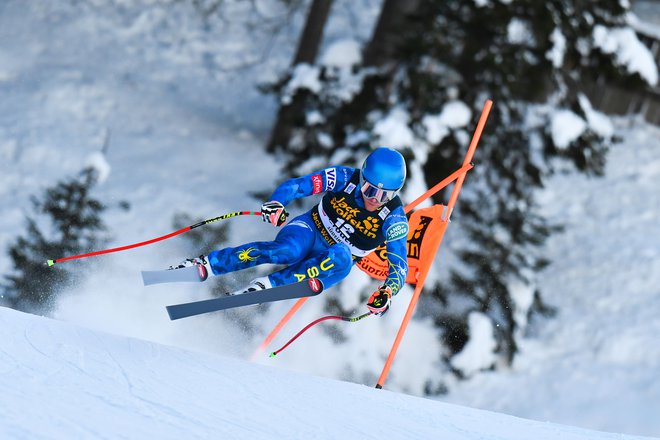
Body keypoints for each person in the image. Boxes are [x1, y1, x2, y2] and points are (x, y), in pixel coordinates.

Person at [172, 147, 409, 316]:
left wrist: (387, 291)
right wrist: (277, 203)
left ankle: (269, 285)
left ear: (395, 192)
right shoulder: (344, 178)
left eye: (384, 195)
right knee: (286, 251)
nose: (373, 200)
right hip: (311, 229)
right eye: (368, 189)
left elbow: (399, 265)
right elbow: (298, 185)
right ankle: (208, 264)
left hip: (334, 264)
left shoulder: (394, 218)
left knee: (341, 254)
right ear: (363, 177)